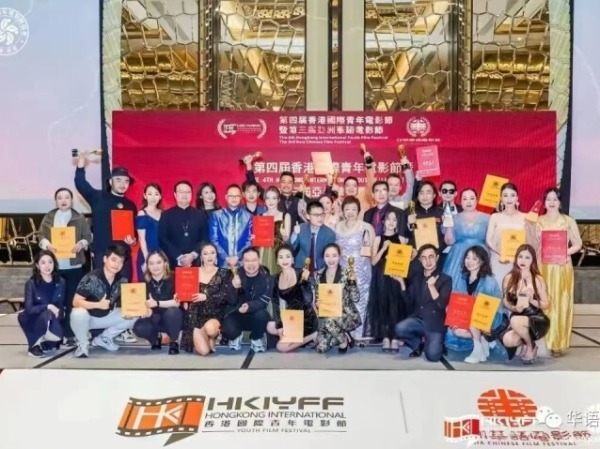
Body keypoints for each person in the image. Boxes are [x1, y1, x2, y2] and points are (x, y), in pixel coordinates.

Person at [38, 187, 92, 347]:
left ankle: (69, 334)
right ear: (56, 201)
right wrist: (47, 245)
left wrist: (81, 244)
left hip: (74, 267)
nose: (63, 200)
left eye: (66, 197)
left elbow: (87, 237)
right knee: (55, 302)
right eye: (60, 197)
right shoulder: (48, 217)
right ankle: (55, 334)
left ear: (71, 200)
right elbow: (41, 236)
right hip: (54, 268)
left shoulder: (79, 217)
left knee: (71, 301)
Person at [532, 188, 582, 357]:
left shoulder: (568, 221)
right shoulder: (537, 221)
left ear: (560, 202)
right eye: (548, 199)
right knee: (542, 301)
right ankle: (542, 340)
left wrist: (564, 252)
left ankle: (557, 342)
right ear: (544, 202)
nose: (552, 202)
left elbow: (577, 244)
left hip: (562, 267)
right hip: (543, 266)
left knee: (560, 302)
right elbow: (533, 244)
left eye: (555, 199)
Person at [74, 155, 137, 279]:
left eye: (126, 181)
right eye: (118, 180)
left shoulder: (131, 205)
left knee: (124, 289)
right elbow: (81, 184)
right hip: (103, 254)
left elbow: (134, 231)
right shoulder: (98, 198)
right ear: (110, 182)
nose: (122, 184)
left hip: (124, 257)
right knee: (101, 288)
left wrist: (133, 241)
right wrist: (81, 164)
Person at [70, 244, 137, 358]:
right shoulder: (91, 277)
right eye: (113, 260)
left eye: (120, 261)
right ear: (105, 259)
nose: (117, 264)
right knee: (77, 313)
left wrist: (139, 308)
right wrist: (98, 305)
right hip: (88, 319)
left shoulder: (123, 280)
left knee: (134, 314)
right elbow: (76, 302)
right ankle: (82, 344)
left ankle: (104, 338)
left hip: (108, 316)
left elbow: (126, 303)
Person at [444, 246, 505, 364]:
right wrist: (455, 318)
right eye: (467, 257)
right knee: (457, 331)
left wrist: (476, 314)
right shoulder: (462, 278)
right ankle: (482, 340)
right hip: (470, 315)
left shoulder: (489, 281)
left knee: (474, 318)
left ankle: (477, 350)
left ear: (482, 261)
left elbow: (492, 307)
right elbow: (455, 301)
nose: (469, 261)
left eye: (474, 258)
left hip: (490, 317)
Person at [394, 244, 452, 362]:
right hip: (419, 320)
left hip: (435, 324)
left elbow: (442, 305)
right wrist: (401, 283)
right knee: (399, 328)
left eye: (431, 257)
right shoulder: (416, 277)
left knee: (433, 357)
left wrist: (432, 287)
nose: (428, 261)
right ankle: (417, 344)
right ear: (420, 260)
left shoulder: (445, 279)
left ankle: (437, 343)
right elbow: (409, 302)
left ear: (437, 258)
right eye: (424, 258)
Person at [180, 243, 236, 355]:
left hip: (214, 313)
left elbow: (226, 296)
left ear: (216, 255)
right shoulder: (192, 272)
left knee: (211, 328)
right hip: (195, 315)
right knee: (204, 351)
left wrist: (206, 296)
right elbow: (184, 294)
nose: (209, 256)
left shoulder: (225, 273)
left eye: (212, 253)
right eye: (205, 254)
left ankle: (211, 336)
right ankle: (200, 335)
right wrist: (182, 297)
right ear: (201, 257)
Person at [500, 244, 550, 364]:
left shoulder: (537, 279)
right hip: (517, 317)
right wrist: (513, 307)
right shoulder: (509, 278)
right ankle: (529, 342)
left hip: (536, 319)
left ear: (533, 260)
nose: (523, 260)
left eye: (527, 257)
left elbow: (546, 304)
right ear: (516, 258)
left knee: (515, 321)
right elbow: (505, 301)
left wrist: (532, 300)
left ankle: (530, 346)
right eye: (520, 256)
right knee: (508, 340)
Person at [368, 209, 409, 351]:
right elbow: (373, 261)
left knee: (395, 306)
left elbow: (404, 261)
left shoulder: (402, 239)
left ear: (397, 223)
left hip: (396, 277)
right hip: (381, 277)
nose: (391, 222)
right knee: (383, 306)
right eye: (388, 219)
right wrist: (384, 248)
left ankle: (395, 337)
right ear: (383, 221)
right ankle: (385, 336)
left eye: (394, 220)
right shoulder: (378, 239)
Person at [335, 196, 375, 343]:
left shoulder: (366, 227)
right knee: (346, 301)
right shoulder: (337, 226)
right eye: (347, 209)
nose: (350, 212)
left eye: (353, 209)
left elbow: (371, 250)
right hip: (343, 269)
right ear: (342, 211)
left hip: (362, 270)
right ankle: (348, 333)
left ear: (358, 211)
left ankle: (361, 333)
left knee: (362, 300)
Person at [267, 245, 319, 352]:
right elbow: (275, 303)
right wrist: (280, 327)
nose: (284, 260)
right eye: (281, 257)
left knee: (281, 347)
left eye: (288, 256)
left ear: (293, 259)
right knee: (270, 326)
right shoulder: (275, 278)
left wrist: (304, 283)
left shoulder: (302, 274)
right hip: (291, 317)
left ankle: (312, 335)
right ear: (277, 261)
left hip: (306, 317)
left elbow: (308, 300)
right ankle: (294, 338)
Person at [221, 247, 273, 353]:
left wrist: (249, 306)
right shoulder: (234, 275)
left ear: (259, 260)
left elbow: (263, 301)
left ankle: (257, 337)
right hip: (236, 313)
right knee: (227, 328)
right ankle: (236, 336)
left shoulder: (267, 278)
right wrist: (233, 288)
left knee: (261, 316)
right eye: (247, 261)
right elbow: (229, 301)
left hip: (255, 314)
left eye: (254, 260)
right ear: (242, 262)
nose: (251, 264)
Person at [132, 251, 183, 355]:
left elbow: (177, 303)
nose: (155, 266)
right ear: (147, 265)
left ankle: (174, 342)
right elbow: (141, 303)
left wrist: (157, 303)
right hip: (154, 318)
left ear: (165, 263)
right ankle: (156, 338)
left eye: (158, 262)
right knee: (139, 327)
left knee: (173, 312)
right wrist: (146, 310)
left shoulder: (176, 277)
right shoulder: (143, 281)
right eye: (151, 263)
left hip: (172, 318)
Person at [314, 244, 361, 353]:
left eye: (334, 255)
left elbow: (356, 298)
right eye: (327, 256)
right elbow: (318, 297)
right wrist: (318, 304)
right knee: (320, 348)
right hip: (328, 315)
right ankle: (344, 335)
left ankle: (343, 340)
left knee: (329, 320)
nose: (331, 259)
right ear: (323, 257)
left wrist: (353, 282)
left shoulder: (347, 273)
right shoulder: (319, 275)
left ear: (339, 256)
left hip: (346, 316)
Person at [18, 251, 65, 358]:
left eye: (50, 262)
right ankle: (34, 346)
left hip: (51, 318)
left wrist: (60, 318)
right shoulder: (31, 284)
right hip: (33, 318)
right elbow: (29, 309)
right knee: (46, 313)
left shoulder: (61, 282)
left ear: (54, 264)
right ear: (37, 265)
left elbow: (60, 304)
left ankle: (44, 339)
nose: (47, 266)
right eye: (43, 263)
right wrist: (48, 307)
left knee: (58, 337)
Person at [442, 188, 489, 290]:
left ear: (476, 200)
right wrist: (448, 225)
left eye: (471, 198)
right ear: (460, 201)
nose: (468, 201)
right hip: (458, 256)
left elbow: (490, 240)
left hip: (480, 255)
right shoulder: (453, 218)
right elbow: (449, 241)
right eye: (465, 199)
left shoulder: (487, 218)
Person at [159, 180, 209, 269]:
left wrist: (193, 255)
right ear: (175, 194)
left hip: (196, 262)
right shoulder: (166, 215)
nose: (185, 195)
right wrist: (179, 256)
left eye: (188, 192)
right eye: (181, 192)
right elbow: (163, 239)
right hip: (173, 262)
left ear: (192, 194)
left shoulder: (200, 215)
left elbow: (205, 238)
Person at [486, 182, 527, 288]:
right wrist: (501, 253)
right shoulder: (494, 217)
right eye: (505, 195)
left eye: (512, 195)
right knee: (496, 288)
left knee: (516, 289)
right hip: (498, 260)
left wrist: (519, 256)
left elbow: (529, 240)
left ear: (517, 197)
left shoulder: (525, 217)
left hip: (519, 262)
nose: (509, 199)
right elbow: (489, 240)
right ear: (501, 198)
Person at [209, 184, 253, 268]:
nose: (234, 198)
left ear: (241, 197)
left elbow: (249, 240)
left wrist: (238, 257)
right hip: (222, 262)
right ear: (226, 197)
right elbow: (214, 239)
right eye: (231, 196)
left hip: (241, 262)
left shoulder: (248, 216)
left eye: (237, 196)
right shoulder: (216, 215)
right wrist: (226, 257)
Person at [290, 201, 336, 272]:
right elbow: (292, 247)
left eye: (322, 214)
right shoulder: (300, 228)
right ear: (307, 216)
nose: (320, 218)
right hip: (300, 269)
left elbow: (331, 255)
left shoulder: (329, 234)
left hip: (321, 270)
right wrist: (295, 234)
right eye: (316, 215)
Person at [258, 186, 291, 274]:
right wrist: (260, 259)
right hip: (264, 253)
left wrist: (284, 235)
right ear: (264, 200)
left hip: (280, 254)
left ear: (278, 200)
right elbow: (260, 244)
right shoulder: (260, 217)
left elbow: (287, 241)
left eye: (274, 198)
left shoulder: (285, 216)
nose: (270, 201)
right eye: (268, 198)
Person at [135, 183, 162, 282]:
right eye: (150, 194)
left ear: (160, 196)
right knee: (146, 285)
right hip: (146, 254)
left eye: (156, 194)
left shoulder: (163, 213)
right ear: (145, 196)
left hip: (161, 255)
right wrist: (147, 260)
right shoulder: (142, 213)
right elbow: (141, 239)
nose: (153, 197)